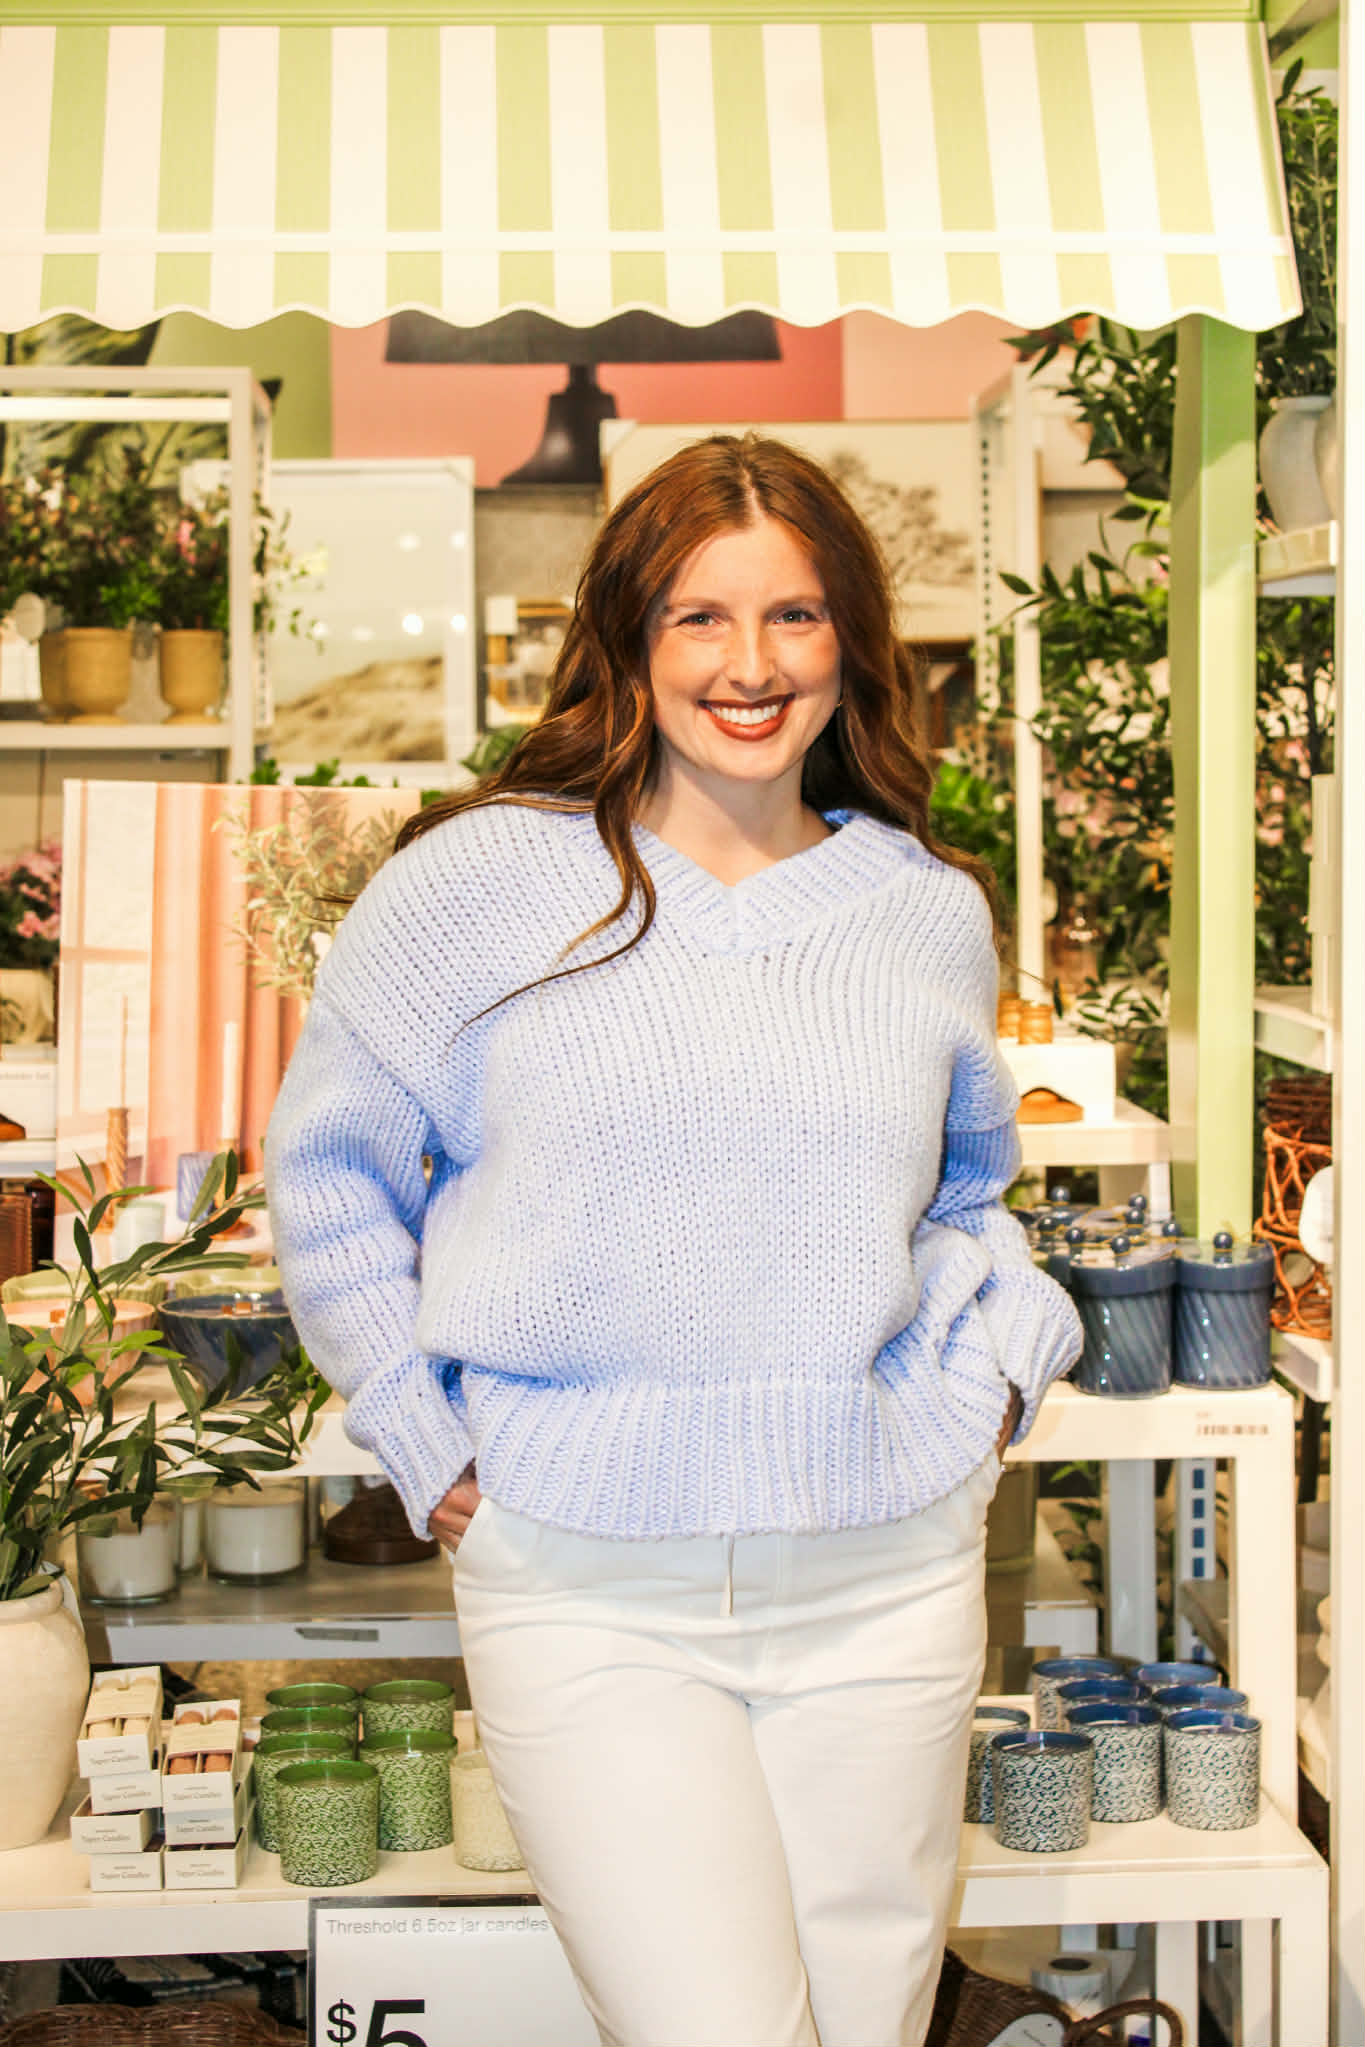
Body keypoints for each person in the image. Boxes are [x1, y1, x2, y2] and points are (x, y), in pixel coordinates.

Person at [266, 433, 1082, 2047]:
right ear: (627, 640)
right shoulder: (477, 884)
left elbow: (962, 1197)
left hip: (884, 1558)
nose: (748, 665)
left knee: (868, 2022)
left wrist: (999, 1358)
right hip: (583, 1577)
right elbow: (328, 1174)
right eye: (698, 617)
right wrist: (412, 1420)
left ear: (850, 639)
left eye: (792, 615)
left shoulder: (923, 908)